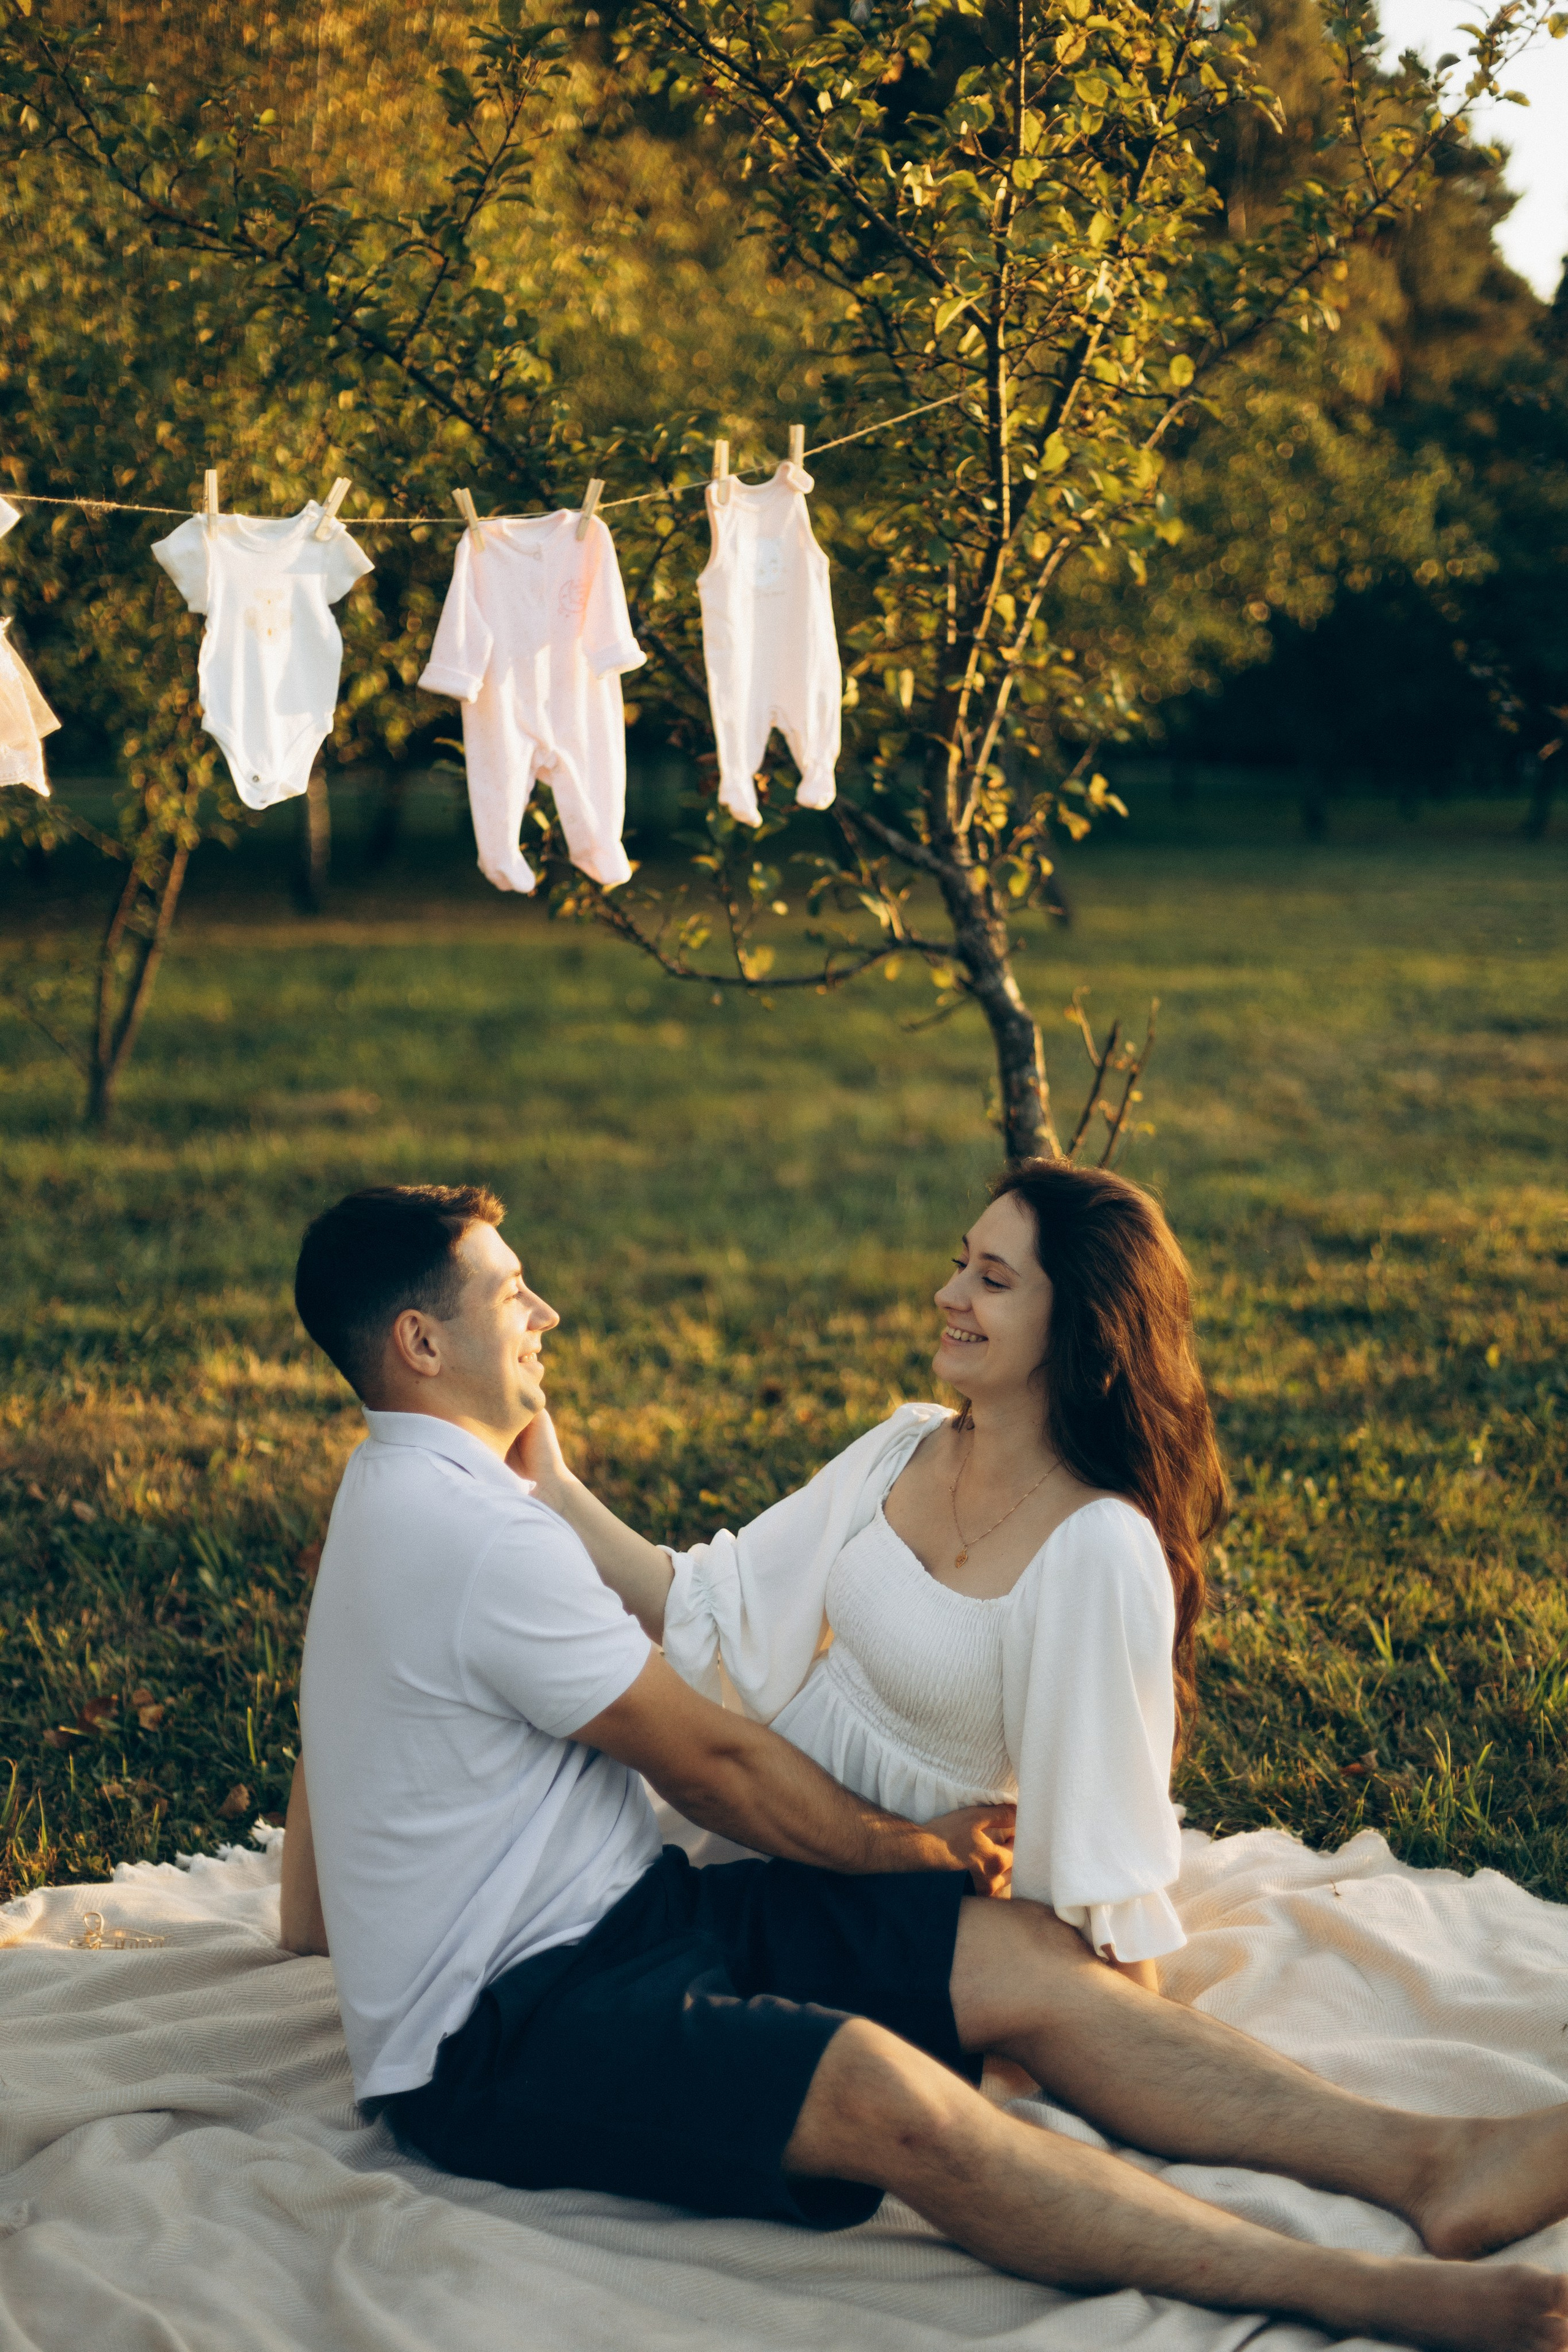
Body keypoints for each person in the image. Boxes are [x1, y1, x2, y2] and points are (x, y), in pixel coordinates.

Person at [285, 1180, 1568, 2352]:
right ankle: (1366, 2292)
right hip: (500, 2028)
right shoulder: (470, 1535)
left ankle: (1433, 2162)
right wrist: (922, 1849)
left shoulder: (426, 1492)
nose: (544, 1310)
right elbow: (719, 1767)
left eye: (990, 1275)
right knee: (870, 2087)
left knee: (1026, 1961)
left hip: (627, 1913)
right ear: (420, 1343)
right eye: (512, 1293)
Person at [529, 1160, 1219, 1996]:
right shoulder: (908, 1446)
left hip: (902, 1893)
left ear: (1082, 1323)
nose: (950, 1294)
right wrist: (554, 1486)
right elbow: (709, 1602)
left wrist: (1105, 2021)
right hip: (773, 1821)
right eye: (960, 1263)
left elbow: (1095, 1841)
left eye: (992, 1280)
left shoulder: (1096, 1544)